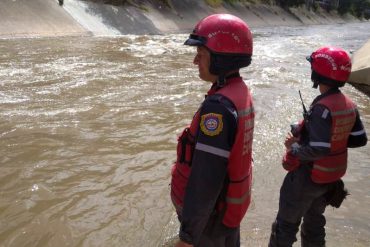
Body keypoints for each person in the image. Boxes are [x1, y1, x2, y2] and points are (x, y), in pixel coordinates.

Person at [268, 46, 368, 247]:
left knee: (285, 227)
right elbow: (359, 139)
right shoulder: (348, 103)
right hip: (329, 179)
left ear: (318, 74)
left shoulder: (322, 108)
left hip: (307, 177)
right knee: (314, 225)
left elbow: (319, 149)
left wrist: (294, 148)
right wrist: (333, 138)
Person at [170, 14, 255, 247]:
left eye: (200, 55)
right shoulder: (239, 91)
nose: (195, 62)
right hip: (227, 210)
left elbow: (206, 179)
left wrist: (188, 237)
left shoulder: (217, 108)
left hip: (211, 220)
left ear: (220, 59)